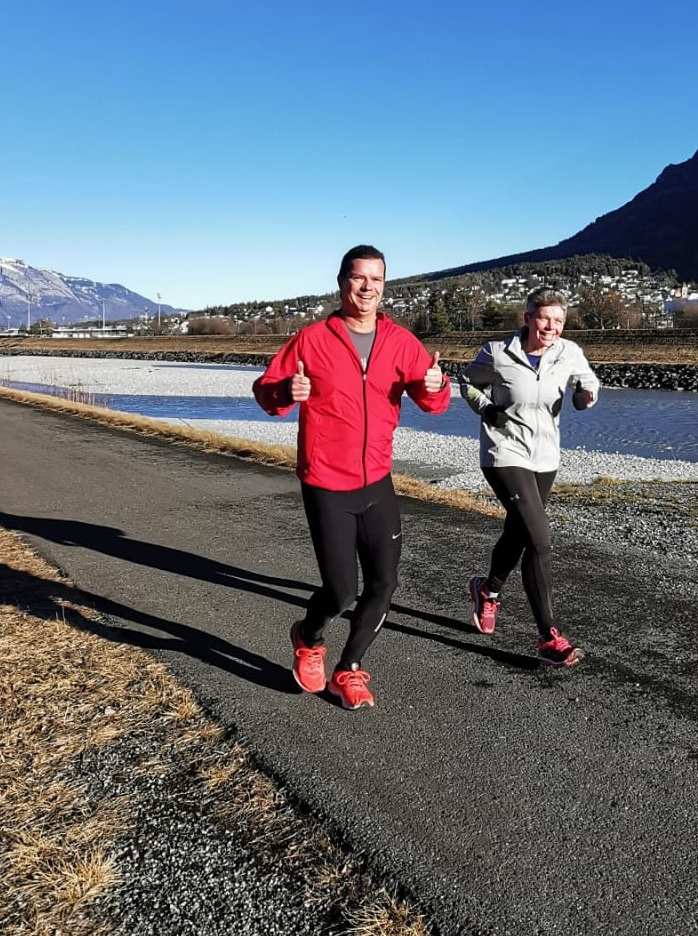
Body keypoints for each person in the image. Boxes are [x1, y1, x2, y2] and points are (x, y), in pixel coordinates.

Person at [253, 245, 450, 709]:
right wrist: (286, 389)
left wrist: (436, 386)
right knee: (342, 592)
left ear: (384, 286)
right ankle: (308, 634)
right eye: (359, 278)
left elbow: (431, 398)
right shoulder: (312, 339)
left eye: (376, 280)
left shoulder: (400, 341)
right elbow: (268, 392)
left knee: (384, 584)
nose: (367, 287)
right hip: (326, 481)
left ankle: (349, 669)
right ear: (342, 282)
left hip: (377, 479)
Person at [459, 288, 600, 666]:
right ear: (527, 318)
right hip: (503, 453)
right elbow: (468, 382)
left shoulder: (568, 352)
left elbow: (589, 382)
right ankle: (548, 636)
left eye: (558, 320)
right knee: (540, 537)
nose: (550, 326)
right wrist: (487, 409)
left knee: (519, 531)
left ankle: (488, 591)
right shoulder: (497, 353)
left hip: (545, 456)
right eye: (543, 318)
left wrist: (586, 396)